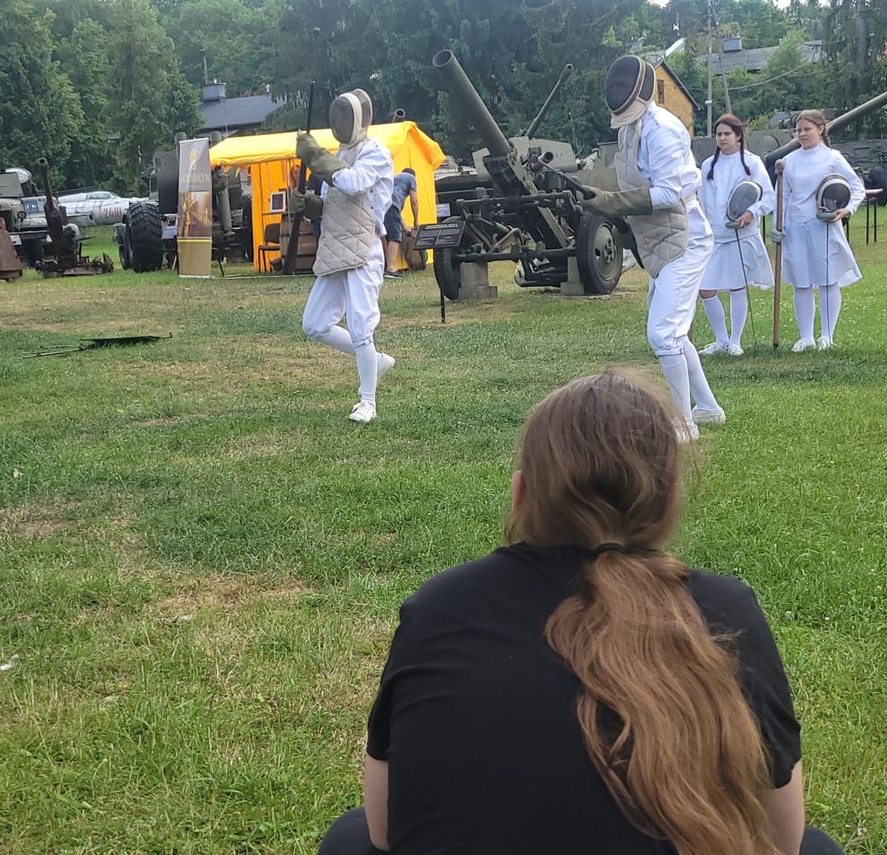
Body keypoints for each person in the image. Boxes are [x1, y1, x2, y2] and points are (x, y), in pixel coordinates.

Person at [319, 372, 844, 855]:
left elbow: (385, 829)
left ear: (521, 493)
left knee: (349, 838)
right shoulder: (727, 612)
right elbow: (782, 836)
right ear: (667, 502)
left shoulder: (440, 606)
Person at [581, 55, 723, 441]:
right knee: (674, 333)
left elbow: (669, 192)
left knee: (664, 334)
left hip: (685, 239)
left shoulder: (662, 129)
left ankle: (683, 424)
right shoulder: (631, 128)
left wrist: (611, 202)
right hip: (660, 242)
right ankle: (707, 407)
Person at [293, 89, 395, 424]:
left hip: (364, 249)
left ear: (361, 120)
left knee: (361, 325)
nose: (340, 124)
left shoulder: (376, 153)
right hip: (337, 246)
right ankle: (374, 361)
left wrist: (315, 158)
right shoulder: (340, 153)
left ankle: (368, 402)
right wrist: (309, 205)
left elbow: (352, 184)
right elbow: (332, 202)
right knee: (315, 324)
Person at [770, 110, 865, 352]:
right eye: (798, 130)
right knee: (801, 282)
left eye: (806, 129)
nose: (801, 134)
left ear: (821, 129)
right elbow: (783, 196)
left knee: (826, 279)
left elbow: (856, 187)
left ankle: (826, 335)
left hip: (823, 226)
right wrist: (778, 226)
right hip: (795, 227)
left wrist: (847, 210)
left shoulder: (832, 158)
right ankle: (806, 336)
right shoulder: (788, 161)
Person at [697, 114, 775, 356]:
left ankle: (735, 341)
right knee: (705, 288)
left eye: (727, 134)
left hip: (741, 234)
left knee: (736, 286)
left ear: (738, 136)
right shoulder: (708, 165)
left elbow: (768, 196)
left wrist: (752, 212)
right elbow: (702, 199)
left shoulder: (752, 163)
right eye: (718, 134)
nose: (722, 138)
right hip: (715, 236)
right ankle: (720, 340)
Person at [384, 168, 419, 278]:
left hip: (382, 207)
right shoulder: (411, 178)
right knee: (395, 237)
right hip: (391, 207)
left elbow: (396, 213)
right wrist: (416, 220)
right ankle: (391, 269)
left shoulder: (394, 179)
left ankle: (384, 266)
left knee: (384, 236)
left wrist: (406, 229)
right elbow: (414, 202)